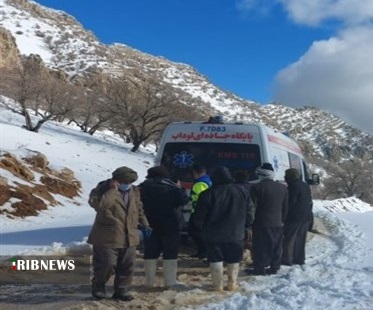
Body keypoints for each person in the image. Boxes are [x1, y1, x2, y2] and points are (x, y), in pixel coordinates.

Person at [87, 166, 150, 301]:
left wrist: (145, 223)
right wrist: (112, 191)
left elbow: (138, 208)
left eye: (129, 183)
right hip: (107, 236)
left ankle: (122, 290)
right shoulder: (101, 189)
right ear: (116, 180)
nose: (127, 185)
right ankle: (98, 286)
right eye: (125, 182)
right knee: (107, 264)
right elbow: (100, 206)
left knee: (127, 265)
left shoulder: (134, 191)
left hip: (129, 235)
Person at [193, 166, 254, 291]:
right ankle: (232, 283)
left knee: (215, 258)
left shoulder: (207, 194)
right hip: (236, 232)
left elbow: (199, 215)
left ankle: (217, 285)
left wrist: (200, 228)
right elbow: (250, 211)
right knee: (234, 258)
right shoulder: (242, 191)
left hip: (213, 233)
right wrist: (247, 225)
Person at [139, 166, 189, 288]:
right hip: (170, 225)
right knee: (170, 252)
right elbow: (184, 200)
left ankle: (149, 281)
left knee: (150, 251)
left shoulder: (142, 187)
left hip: (148, 224)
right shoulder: (172, 187)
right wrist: (179, 187)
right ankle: (170, 281)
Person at [246, 163, 288, 276]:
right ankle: (274, 266)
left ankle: (259, 268)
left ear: (261, 174)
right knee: (276, 245)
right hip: (278, 222)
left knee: (260, 246)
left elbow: (252, 207)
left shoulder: (256, 188)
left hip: (261, 222)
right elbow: (285, 207)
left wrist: (249, 223)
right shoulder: (282, 188)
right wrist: (282, 220)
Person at [282, 168, 313, 266]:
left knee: (289, 239)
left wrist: (284, 215)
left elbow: (290, 203)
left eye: (286, 176)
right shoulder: (305, 185)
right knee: (300, 239)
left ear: (289, 177)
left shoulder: (293, 187)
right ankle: (299, 259)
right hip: (306, 216)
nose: (285, 178)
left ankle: (287, 259)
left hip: (294, 217)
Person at [188, 164, 212, 259]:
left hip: (198, 211)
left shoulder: (200, 183)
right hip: (201, 211)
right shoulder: (207, 180)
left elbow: (200, 197)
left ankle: (203, 251)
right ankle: (202, 251)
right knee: (197, 232)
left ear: (195, 172)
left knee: (194, 231)